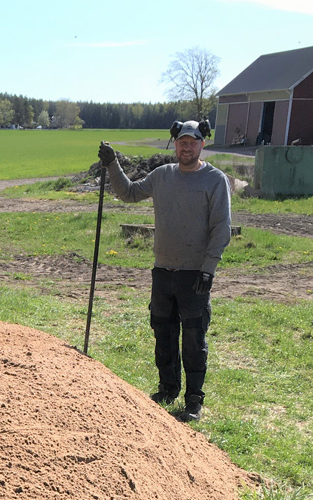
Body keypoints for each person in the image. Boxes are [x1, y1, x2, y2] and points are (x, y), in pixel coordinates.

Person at [97, 120, 232, 422]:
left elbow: (221, 228)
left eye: (193, 142)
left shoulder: (215, 180)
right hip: (163, 271)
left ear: (202, 145)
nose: (187, 147)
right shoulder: (162, 176)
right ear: (175, 144)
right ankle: (168, 388)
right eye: (182, 142)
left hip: (195, 273)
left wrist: (208, 269)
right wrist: (112, 164)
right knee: (163, 331)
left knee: (193, 338)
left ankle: (194, 400)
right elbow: (129, 193)